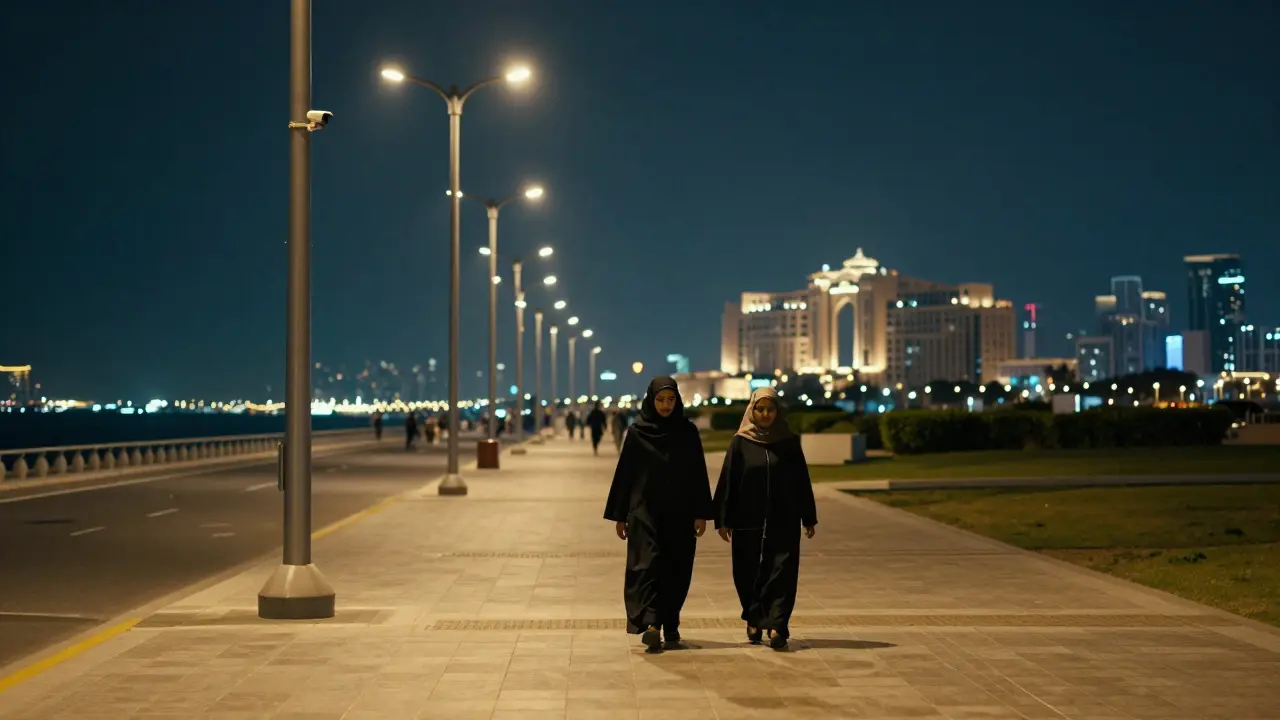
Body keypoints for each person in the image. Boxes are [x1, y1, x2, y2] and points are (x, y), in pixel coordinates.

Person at [604, 376, 713, 652]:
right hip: (645, 513)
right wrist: (620, 515)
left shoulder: (687, 432)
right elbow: (625, 475)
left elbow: (698, 473)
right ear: (651, 400)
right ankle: (652, 623)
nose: (666, 405)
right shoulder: (637, 433)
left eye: (671, 399)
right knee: (647, 566)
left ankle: (671, 622)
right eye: (660, 400)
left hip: (680, 513)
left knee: (677, 568)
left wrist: (700, 513)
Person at [713, 387, 817, 650]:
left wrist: (808, 516)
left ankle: (777, 625)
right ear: (752, 411)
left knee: (783, 571)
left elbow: (802, 480)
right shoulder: (741, 443)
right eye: (760, 409)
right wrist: (723, 519)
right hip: (747, 519)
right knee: (747, 571)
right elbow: (728, 481)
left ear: (778, 411)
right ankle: (754, 617)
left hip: (785, 518)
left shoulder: (789, 442)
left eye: (771, 409)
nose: (766, 414)